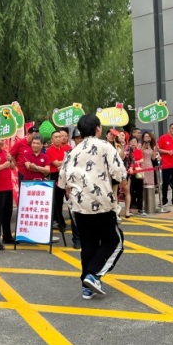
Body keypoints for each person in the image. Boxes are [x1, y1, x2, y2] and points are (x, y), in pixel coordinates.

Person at [58, 114, 127, 300]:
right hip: (101, 203)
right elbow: (120, 173)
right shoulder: (106, 147)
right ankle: (93, 275)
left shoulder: (72, 152)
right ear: (98, 128)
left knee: (88, 244)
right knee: (115, 241)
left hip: (79, 205)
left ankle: (87, 287)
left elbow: (62, 180)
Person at [46, 130, 77, 247]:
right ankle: (60, 222)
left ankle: (71, 220)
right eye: (56, 137)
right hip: (56, 176)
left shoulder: (66, 148)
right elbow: (55, 163)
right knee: (58, 201)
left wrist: (63, 164)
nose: (59, 139)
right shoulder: (50, 150)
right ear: (52, 140)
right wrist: (64, 162)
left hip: (67, 175)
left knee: (70, 198)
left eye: (60, 137)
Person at [158, 123, 173, 206]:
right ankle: (164, 199)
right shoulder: (163, 138)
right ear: (169, 128)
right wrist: (167, 152)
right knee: (165, 183)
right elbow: (158, 149)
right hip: (166, 164)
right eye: (172, 128)